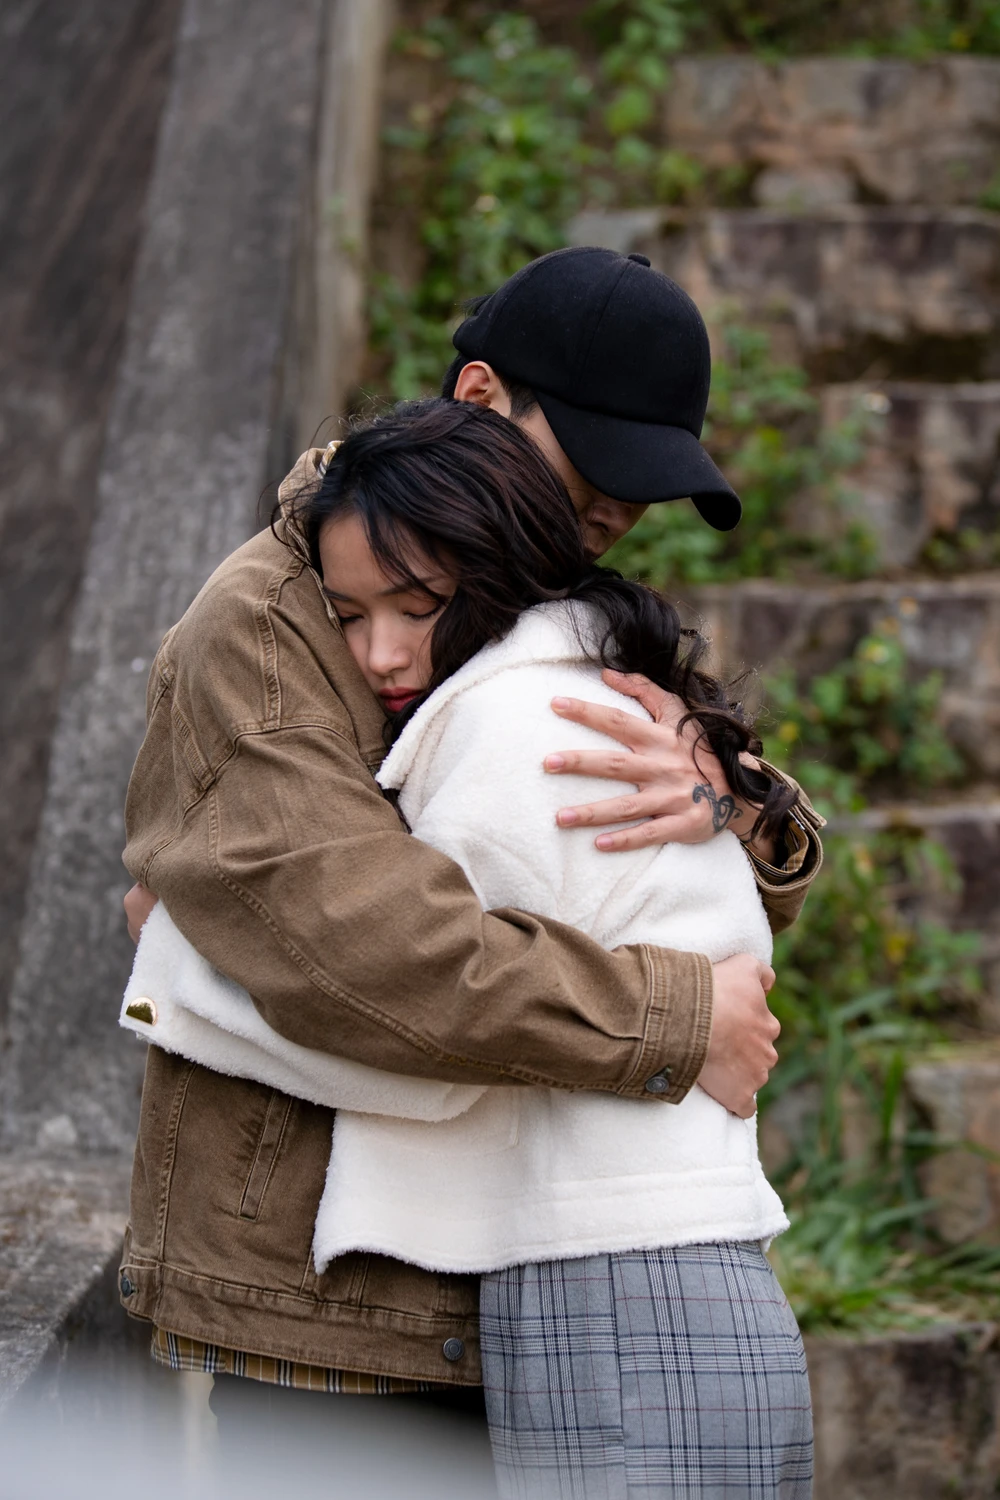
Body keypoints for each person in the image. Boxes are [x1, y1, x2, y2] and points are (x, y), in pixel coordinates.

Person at [119, 249, 822, 1449]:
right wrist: (675, 1020)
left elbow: (631, 877)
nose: (614, 511)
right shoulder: (264, 630)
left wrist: (738, 803)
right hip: (325, 1304)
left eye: (640, 483)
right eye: (592, 460)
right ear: (481, 395)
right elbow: (373, 952)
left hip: (514, 1266)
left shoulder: (515, 593)